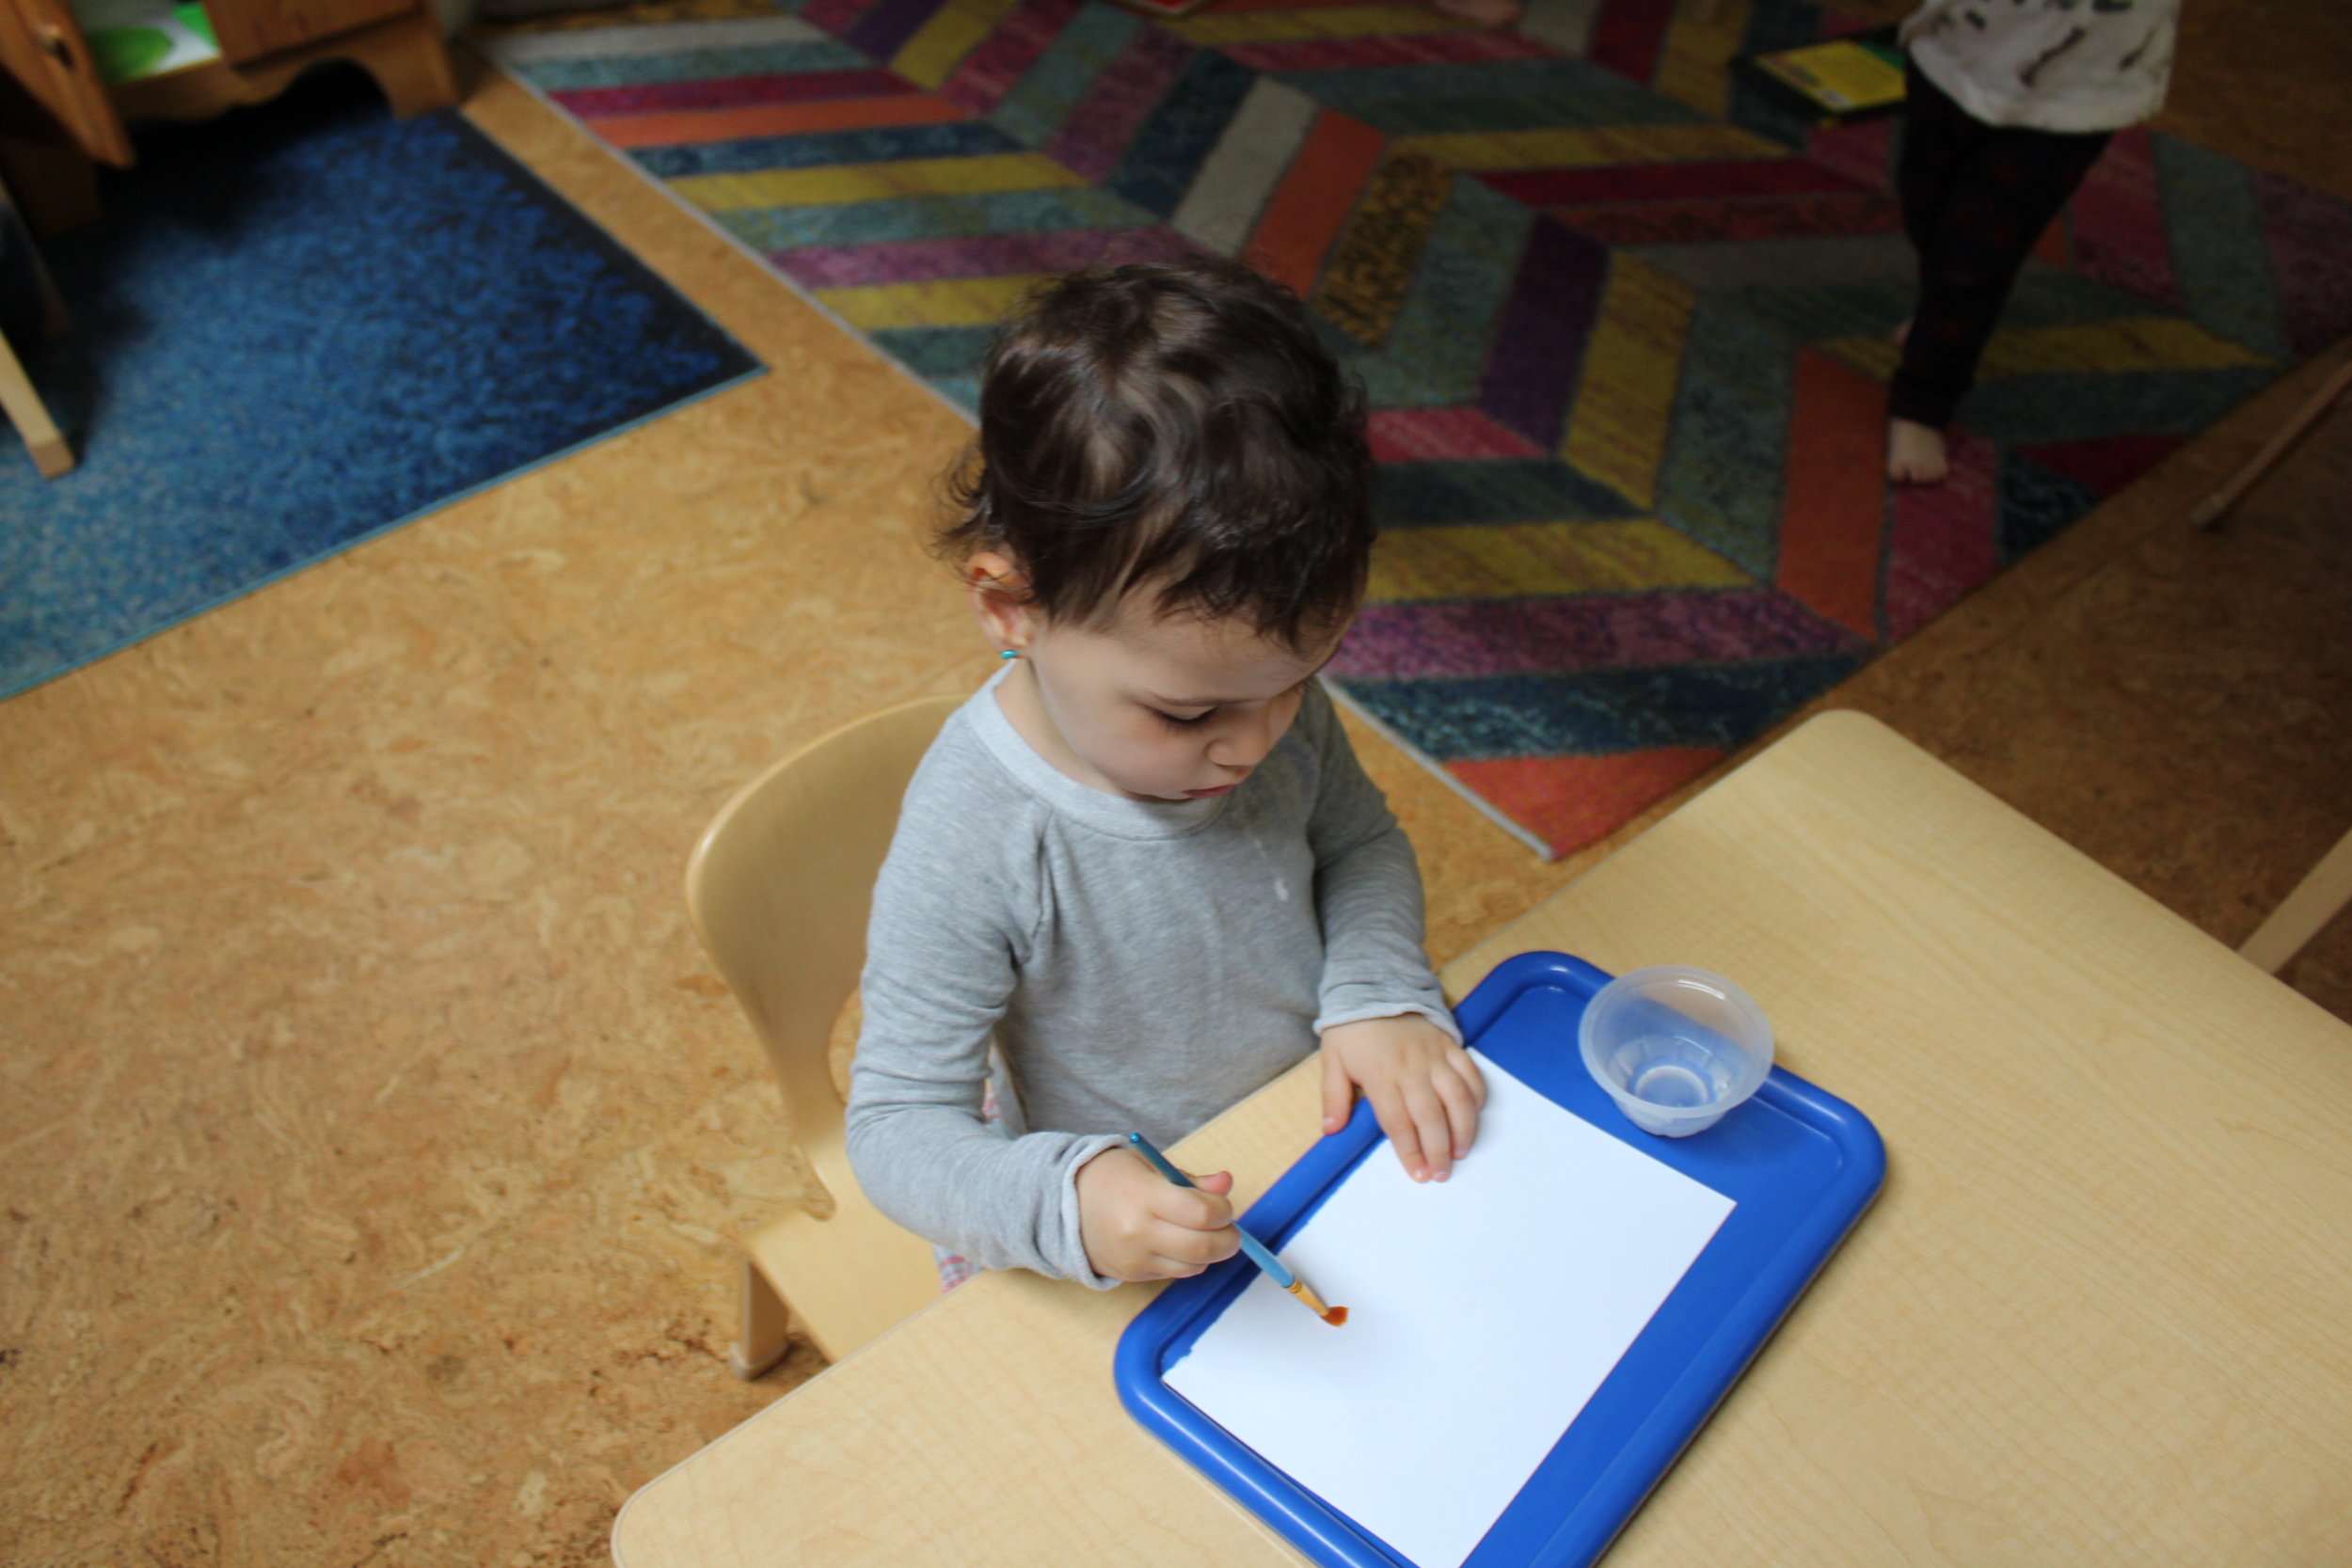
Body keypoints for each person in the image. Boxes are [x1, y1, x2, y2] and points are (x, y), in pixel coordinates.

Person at [844, 260, 1484, 1290]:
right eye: (1187, 713)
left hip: (1312, 1130)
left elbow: (1356, 843)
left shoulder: (1257, 694)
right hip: (1125, 1218)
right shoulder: (976, 829)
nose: (1256, 742)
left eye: (1300, 683)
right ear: (1013, 608)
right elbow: (894, 1126)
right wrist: (1067, 1200)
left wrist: (1376, 990)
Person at [1888, 0, 2182, 483]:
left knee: (1977, 252)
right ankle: (1937, 314)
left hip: (2078, 90)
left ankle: (1923, 401)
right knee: (1926, 204)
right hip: (1958, 49)